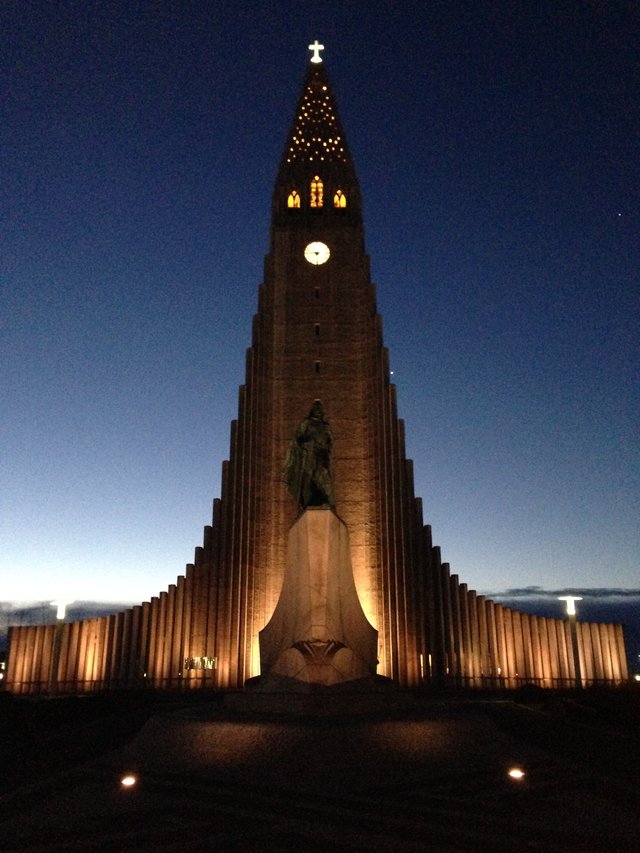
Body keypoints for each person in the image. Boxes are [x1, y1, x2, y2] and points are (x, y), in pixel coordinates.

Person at [283, 400, 335, 509]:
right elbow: (297, 438)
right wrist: (307, 442)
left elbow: (331, 442)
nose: (318, 411)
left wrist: (326, 446)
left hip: (321, 455)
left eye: (320, 409)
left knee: (323, 475)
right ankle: (307, 502)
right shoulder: (306, 423)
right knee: (308, 478)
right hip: (308, 455)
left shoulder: (325, 426)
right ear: (312, 410)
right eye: (316, 408)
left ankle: (325, 500)